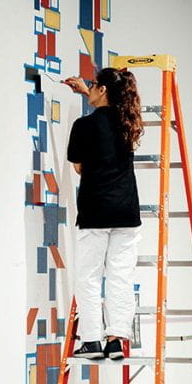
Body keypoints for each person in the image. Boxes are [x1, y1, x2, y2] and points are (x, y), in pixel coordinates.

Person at [62, 67, 144, 360]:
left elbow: (79, 166)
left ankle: (92, 340)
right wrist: (87, 92)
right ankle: (116, 338)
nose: (90, 88)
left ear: (104, 90)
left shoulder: (83, 126)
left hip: (96, 211)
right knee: (121, 276)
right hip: (126, 212)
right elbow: (106, 119)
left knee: (89, 276)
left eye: (94, 85)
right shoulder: (127, 122)